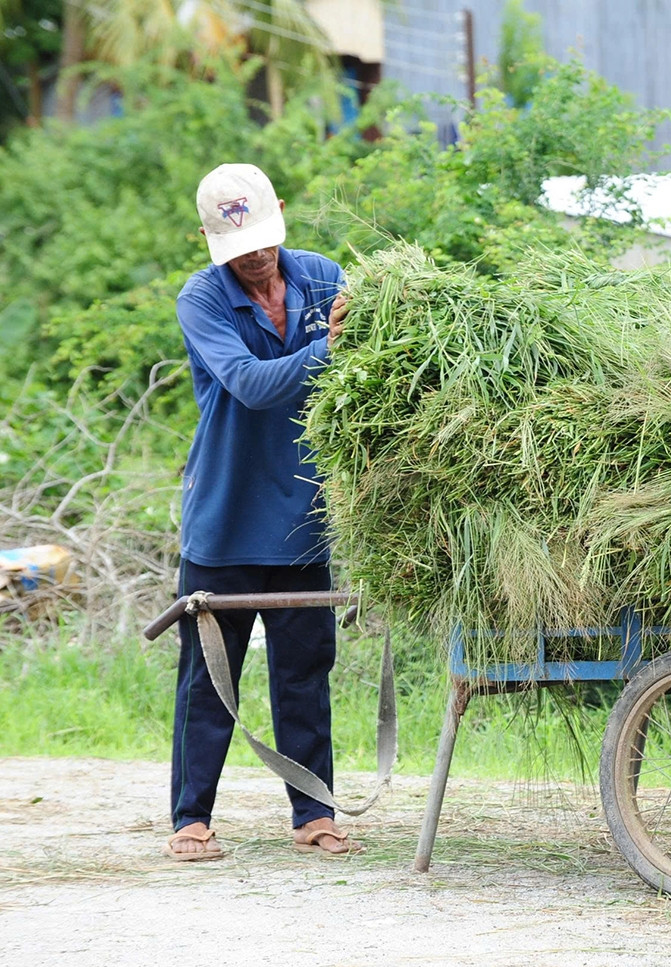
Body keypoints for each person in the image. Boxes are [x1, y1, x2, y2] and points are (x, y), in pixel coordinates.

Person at [164, 163, 354, 860]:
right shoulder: (202, 298)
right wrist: (328, 348)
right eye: (239, 247)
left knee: (305, 673)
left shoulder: (323, 277)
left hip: (303, 518)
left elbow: (366, 365)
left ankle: (314, 814)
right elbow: (248, 383)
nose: (256, 256)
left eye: (264, 239)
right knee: (209, 681)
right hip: (226, 517)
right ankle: (190, 818)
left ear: (281, 212)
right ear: (209, 240)